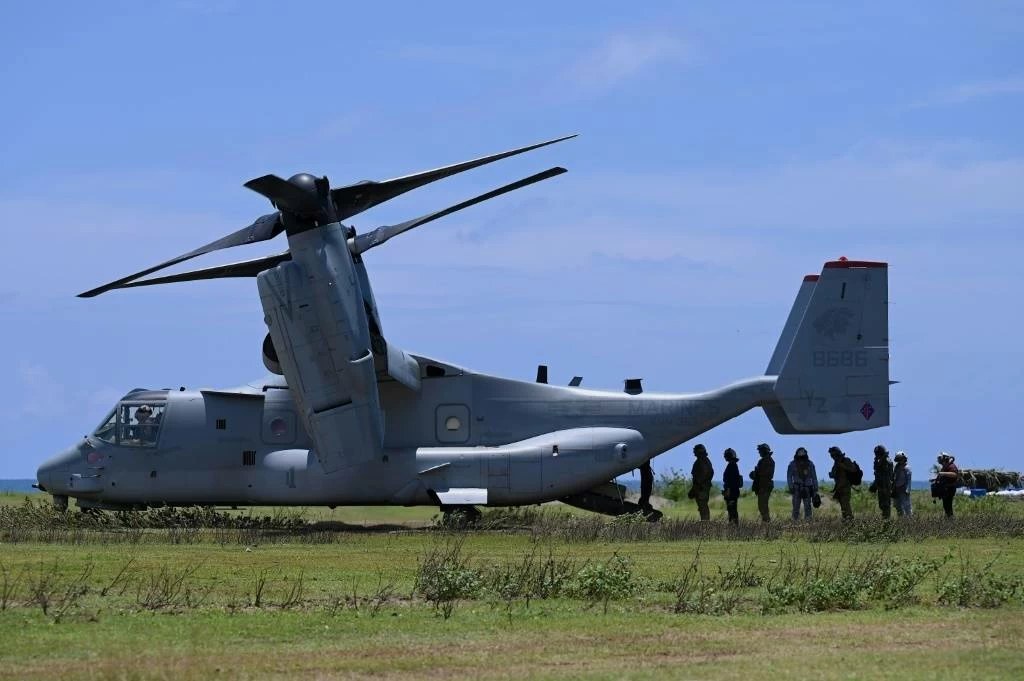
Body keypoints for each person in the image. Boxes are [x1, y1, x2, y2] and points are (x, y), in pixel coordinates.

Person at [786, 447, 818, 520]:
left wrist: (815, 489)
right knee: (797, 507)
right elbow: (789, 477)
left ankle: (806, 521)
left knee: (806, 507)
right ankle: (796, 522)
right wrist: (791, 487)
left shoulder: (810, 464)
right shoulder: (793, 464)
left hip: (805, 488)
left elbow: (814, 477)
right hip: (797, 488)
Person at [828, 446, 857, 520]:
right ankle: (846, 521)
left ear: (837, 454)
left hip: (845, 487)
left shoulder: (846, 460)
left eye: (833, 455)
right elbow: (835, 474)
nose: (832, 457)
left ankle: (850, 521)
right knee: (843, 507)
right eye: (831, 455)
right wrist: (832, 474)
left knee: (846, 505)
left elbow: (853, 470)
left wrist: (843, 467)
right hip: (839, 488)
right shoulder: (836, 463)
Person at [749, 443, 775, 522]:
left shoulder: (769, 461)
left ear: (764, 451)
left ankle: (766, 522)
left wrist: (756, 474)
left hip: (765, 486)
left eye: (760, 451)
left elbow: (767, 474)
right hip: (762, 486)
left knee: (763, 506)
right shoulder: (764, 460)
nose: (759, 452)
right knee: (762, 506)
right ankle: (766, 522)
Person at [690, 443, 714, 521]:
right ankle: (705, 522)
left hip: (701, 488)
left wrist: (698, 484)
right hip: (702, 487)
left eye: (695, 451)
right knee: (702, 506)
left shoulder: (702, 460)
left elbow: (705, 472)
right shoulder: (705, 460)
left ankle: (705, 523)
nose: (694, 453)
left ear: (698, 452)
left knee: (702, 505)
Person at [870, 445, 894, 519]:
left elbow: (884, 474)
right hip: (881, 485)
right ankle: (885, 519)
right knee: (883, 504)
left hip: (885, 485)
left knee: (885, 504)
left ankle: (886, 520)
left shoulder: (886, 461)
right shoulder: (881, 460)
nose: (877, 455)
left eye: (878, 454)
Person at [935, 452, 960, 518]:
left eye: (940, 458)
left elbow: (954, 475)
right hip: (945, 489)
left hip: (950, 488)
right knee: (946, 505)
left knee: (948, 505)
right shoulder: (945, 466)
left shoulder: (951, 466)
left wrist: (943, 473)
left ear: (944, 458)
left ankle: (950, 519)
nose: (939, 459)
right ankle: (948, 518)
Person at [722, 448, 742, 524]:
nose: (725, 457)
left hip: (731, 492)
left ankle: (733, 525)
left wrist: (728, 491)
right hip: (732, 491)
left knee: (732, 509)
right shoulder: (732, 465)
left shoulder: (732, 465)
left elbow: (731, 481)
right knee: (731, 508)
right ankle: (733, 525)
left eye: (726, 455)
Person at [892, 451, 912, 517]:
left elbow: (909, 480)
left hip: (904, 490)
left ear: (904, 458)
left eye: (901, 458)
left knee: (907, 508)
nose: (900, 460)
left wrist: (908, 490)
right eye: (898, 458)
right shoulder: (896, 467)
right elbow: (894, 478)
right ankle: (901, 521)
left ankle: (909, 522)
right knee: (898, 507)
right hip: (896, 490)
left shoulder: (907, 468)